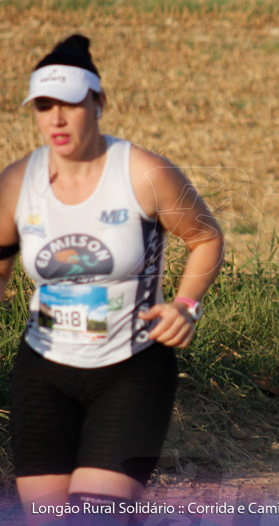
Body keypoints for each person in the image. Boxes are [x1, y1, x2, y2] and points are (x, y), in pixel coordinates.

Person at [0, 34, 225, 523]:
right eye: (43, 105)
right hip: (43, 371)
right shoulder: (17, 182)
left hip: (131, 369)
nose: (56, 119)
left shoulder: (145, 172)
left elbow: (206, 238)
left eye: (71, 104)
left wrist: (185, 306)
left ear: (99, 102)